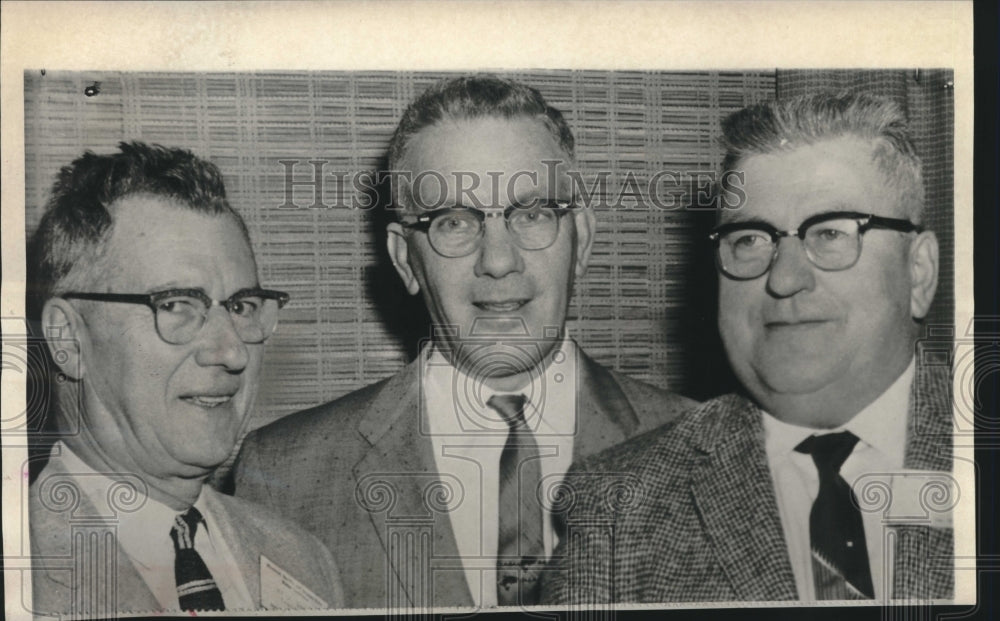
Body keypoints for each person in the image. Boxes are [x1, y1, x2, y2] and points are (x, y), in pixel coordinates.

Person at [232, 75, 696, 609]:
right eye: (454, 222)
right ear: (406, 259)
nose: (498, 261)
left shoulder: (703, 448)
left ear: (582, 240)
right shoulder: (285, 476)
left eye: (533, 214)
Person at [543, 92, 953, 603]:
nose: (783, 278)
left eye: (830, 233)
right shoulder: (616, 508)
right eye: (750, 240)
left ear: (919, 272)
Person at [27, 142, 344, 616]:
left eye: (240, 307)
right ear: (68, 339)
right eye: (176, 305)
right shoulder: (23, 566)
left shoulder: (302, 559)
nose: (232, 351)